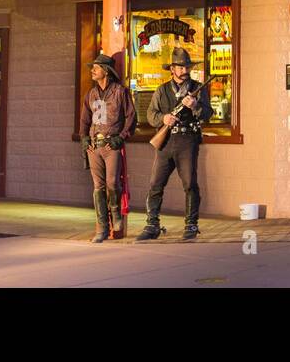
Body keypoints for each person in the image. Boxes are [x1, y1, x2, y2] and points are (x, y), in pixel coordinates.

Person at [138, 49, 211, 241]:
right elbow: (150, 115)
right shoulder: (161, 90)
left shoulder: (197, 87)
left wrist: (195, 106)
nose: (184, 69)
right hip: (166, 140)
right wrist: (165, 118)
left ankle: (191, 225)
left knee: (189, 184)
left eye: (187, 66)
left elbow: (208, 114)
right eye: (180, 66)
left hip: (187, 140)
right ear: (172, 69)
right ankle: (152, 225)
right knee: (155, 184)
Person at [79, 53, 136, 243]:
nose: (92, 71)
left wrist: (121, 137)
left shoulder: (120, 92)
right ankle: (102, 228)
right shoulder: (91, 94)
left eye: (96, 67)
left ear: (106, 71)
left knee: (112, 184)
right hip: (94, 146)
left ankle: (117, 218)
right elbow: (84, 120)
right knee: (98, 187)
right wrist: (84, 138)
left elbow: (131, 118)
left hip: (112, 146)